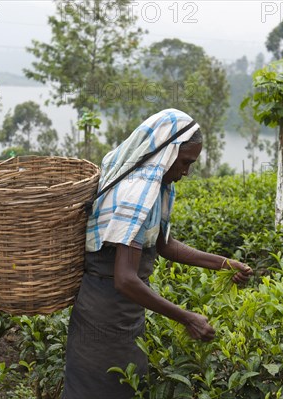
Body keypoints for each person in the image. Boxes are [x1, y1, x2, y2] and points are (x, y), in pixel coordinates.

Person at [62, 109, 253, 399]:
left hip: (124, 311)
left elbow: (164, 245)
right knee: (99, 389)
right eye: (185, 162)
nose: (186, 172)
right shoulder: (137, 191)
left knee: (126, 385)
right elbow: (125, 279)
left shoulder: (157, 187)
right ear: (166, 152)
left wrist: (225, 264)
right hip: (103, 314)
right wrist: (187, 318)